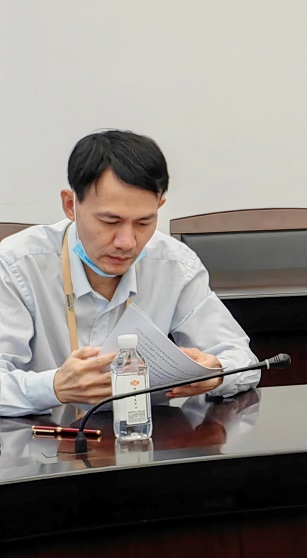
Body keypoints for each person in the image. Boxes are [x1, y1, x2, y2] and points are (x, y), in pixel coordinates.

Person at [0, 130, 260, 417]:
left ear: (159, 207)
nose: (127, 242)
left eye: (144, 222)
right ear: (70, 205)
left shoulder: (175, 265)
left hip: (146, 438)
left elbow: (243, 361)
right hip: (40, 440)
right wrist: (53, 387)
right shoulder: (17, 264)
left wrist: (217, 373)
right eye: (110, 221)